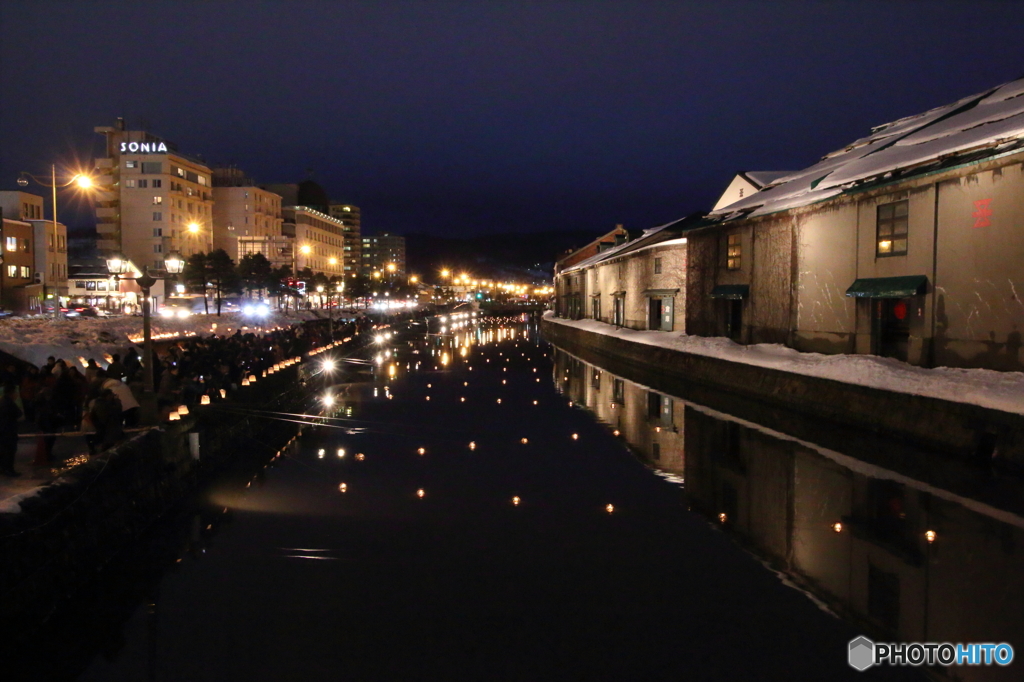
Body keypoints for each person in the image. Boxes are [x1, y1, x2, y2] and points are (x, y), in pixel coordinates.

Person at [0, 382, 22, 476]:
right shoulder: (9, 403)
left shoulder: (2, 401)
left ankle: (4, 469)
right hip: (8, 431)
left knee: (4, 451)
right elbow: (18, 413)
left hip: (3, 430)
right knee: (9, 451)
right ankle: (9, 470)